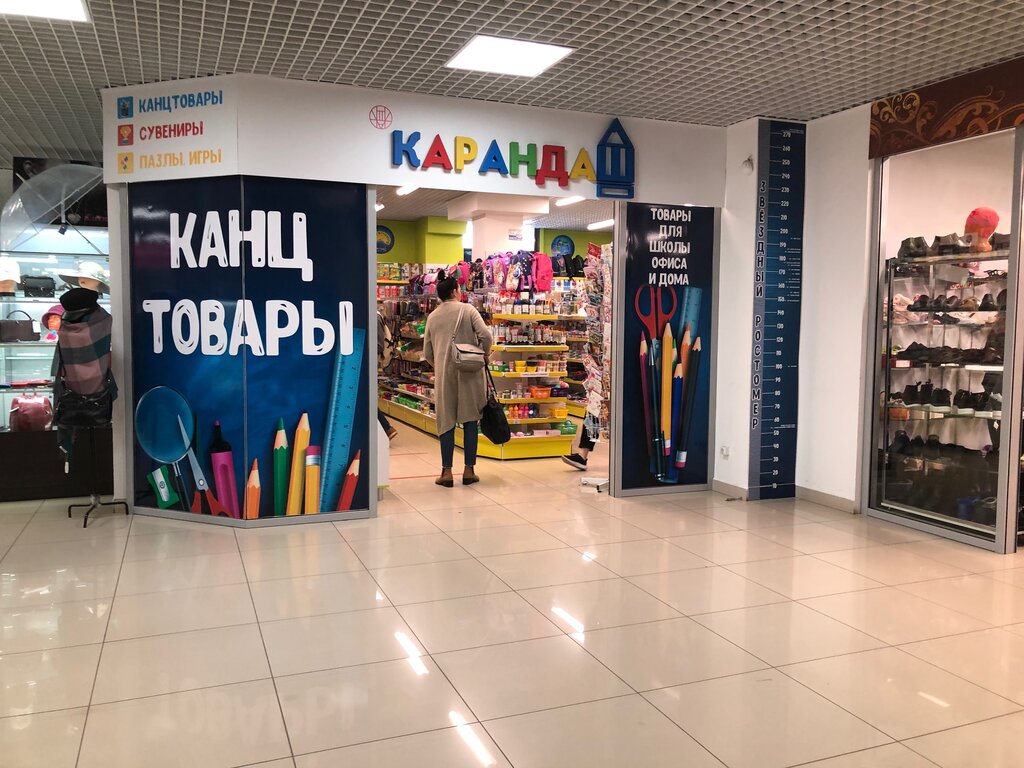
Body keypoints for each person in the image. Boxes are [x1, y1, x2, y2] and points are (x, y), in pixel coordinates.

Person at [422, 272, 491, 487]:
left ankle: (447, 472)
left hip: (445, 374)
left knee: (446, 422)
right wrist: (484, 355)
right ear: (454, 291)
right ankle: (469, 470)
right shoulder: (468, 310)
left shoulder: (433, 316)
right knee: (470, 420)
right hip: (470, 373)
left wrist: (441, 364)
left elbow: (427, 352)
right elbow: (486, 336)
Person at [376, 311, 397, 440]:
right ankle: (386, 428)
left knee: (366, 399)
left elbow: (378, 346)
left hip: (369, 364)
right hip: (368, 364)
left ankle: (387, 428)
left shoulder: (375, 317)